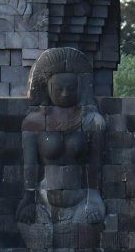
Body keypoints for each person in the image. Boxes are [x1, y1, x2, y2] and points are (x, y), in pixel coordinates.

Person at [18, 47, 106, 225]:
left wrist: (94, 198)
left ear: (80, 88)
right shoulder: (33, 123)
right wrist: (28, 199)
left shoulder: (93, 122)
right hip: (42, 202)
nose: (65, 93)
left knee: (86, 239)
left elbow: (94, 163)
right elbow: (30, 166)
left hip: (82, 201)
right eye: (58, 88)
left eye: (70, 88)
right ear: (46, 87)